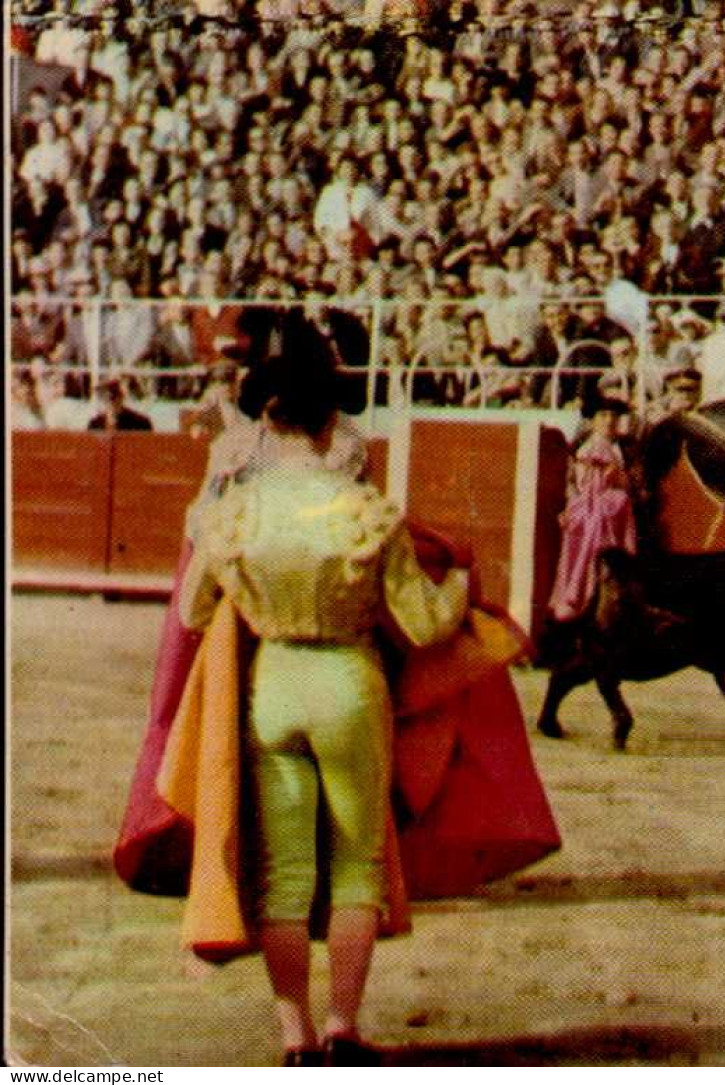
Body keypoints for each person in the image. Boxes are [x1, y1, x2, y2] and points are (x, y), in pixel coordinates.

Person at [176, 324, 472, 1066]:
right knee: (356, 868)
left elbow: (191, 613)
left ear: (266, 419)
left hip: (271, 686)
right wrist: (463, 583)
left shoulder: (231, 513)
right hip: (347, 685)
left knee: (281, 876)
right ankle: (342, 1027)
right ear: (329, 419)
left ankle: (294, 1039)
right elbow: (426, 623)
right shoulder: (367, 510)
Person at [548, 389, 637, 623]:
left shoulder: (617, 447)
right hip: (595, 513)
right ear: (593, 420)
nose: (609, 421)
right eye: (603, 415)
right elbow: (591, 489)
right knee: (595, 560)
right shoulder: (593, 448)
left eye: (613, 416)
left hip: (606, 512)